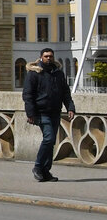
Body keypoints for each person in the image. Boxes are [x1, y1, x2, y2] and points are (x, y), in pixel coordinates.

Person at [23, 48, 75, 182]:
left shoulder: (58, 74)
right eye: (46, 56)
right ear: (41, 57)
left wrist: (70, 107)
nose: (48, 58)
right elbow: (28, 95)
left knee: (51, 142)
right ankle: (38, 166)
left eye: (51, 56)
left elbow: (65, 93)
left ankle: (46, 171)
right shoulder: (34, 74)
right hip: (41, 112)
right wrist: (30, 113)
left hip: (55, 112)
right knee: (48, 138)